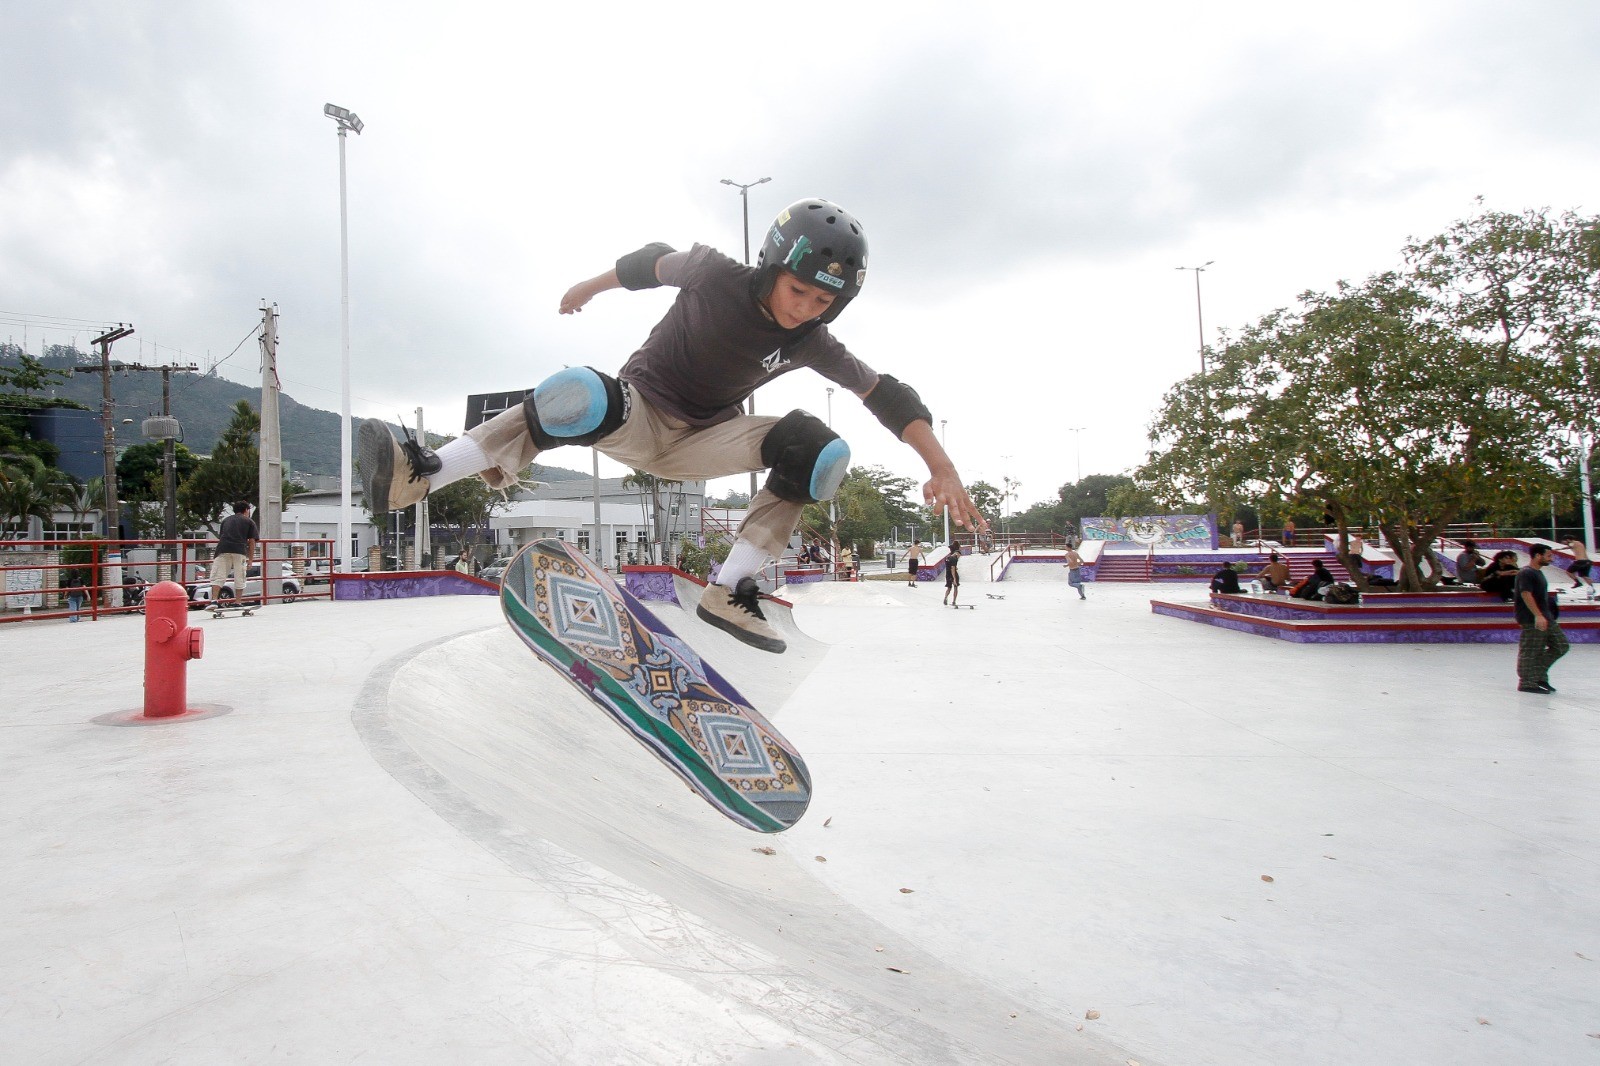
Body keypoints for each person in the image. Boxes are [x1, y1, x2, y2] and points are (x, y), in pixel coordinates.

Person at [359, 199, 985, 654]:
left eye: (823, 303)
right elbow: (652, 262)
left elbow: (884, 391)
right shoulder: (713, 273)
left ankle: (730, 589)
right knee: (574, 392)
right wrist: (591, 286)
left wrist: (942, 465)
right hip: (639, 412)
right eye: (799, 292)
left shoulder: (814, 342)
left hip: (705, 441)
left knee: (818, 450)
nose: (805, 310)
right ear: (772, 268)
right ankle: (424, 474)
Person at [1513, 544, 1568, 694]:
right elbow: (1526, 594)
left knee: (1561, 645)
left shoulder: (1538, 573)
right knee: (1531, 650)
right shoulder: (1526, 573)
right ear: (1538, 556)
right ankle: (1527, 682)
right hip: (1532, 619)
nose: (1551, 559)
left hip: (1546, 617)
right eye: (1548, 556)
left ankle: (1538, 675)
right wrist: (1537, 615)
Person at [210, 501, 257, 604]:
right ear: (246, 510)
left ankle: (214, 600)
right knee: (240, 576)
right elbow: (252, 541)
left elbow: (222, 536)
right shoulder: (249, 521)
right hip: (239, 550)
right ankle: (238, 601)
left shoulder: (225, 520)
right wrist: (250, 560)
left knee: (219, 575)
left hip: (222, 549)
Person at [943, 541, 962, 605]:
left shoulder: (948, 557)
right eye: (959, 555)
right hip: (952, 574)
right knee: (955, 587)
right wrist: (954, 579)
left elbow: (950, 566)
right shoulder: (954, 558)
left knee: (949, 587)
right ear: (957, 554)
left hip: (947, 574)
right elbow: (952, 569)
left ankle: (945, 597)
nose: (959, 557)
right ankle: (954, 601)